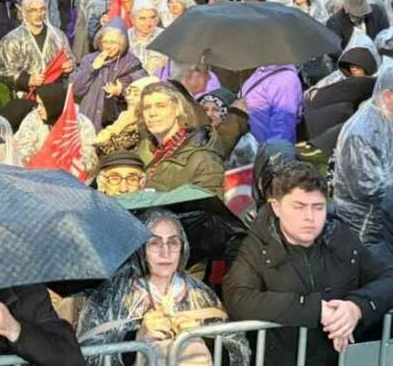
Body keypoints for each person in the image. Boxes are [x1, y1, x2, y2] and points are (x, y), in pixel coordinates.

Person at [224, 161, 393, 364]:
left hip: (341, 359)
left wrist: (357, 307)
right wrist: (315, 310)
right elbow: (237, 298)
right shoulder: (255, 245)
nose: (309, 217)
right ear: (276, 207)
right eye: (299, 207)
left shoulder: (339, 236)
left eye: (318, 207)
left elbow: (387, 278)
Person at [78, 209, 247, 365]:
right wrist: (135, 341)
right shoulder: (112, 297)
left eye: (173, 242)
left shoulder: (200, 294)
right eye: (154, 243)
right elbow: (89, 357)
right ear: (140, 249)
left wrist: (203, 339)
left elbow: (237, 351)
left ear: (183, 247)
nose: (165, 252)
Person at [332, 64, 393, 247]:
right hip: (364, 226)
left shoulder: (386, 120)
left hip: (384, 220)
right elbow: (366, 189)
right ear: (388, 96)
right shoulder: (361, 133)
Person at [0, 0, 74, 127]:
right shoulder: (12, 39)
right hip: (27, 99)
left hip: (54, 96)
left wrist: (70, 65)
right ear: (24, 13)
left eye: (42, 9)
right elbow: (3, 71)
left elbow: (69, 57)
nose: (39, 14)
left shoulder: (58, 35)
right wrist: (28, 79)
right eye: (33, 10)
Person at [136, 82, 226, 196]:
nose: (152, 113)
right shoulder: (141, 151)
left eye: (161, 106)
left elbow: (208, 204)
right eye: (147, 107)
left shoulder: (204, 159)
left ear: (177, 109)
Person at [71, 20, 145, 132]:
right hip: (88, 119)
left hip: (117, 123)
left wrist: (122, 90)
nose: (108, 46)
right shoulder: (89, 59)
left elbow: (144, 89)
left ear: (123, 43)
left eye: (113, 42)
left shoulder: (131, 62)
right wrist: (92, 68)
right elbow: (74, 88)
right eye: (105, 42)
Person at [13, 82, 97, 172]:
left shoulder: (82, 124)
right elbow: (22, 151)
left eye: (42, 105)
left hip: (70, 174)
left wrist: (67, 168)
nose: (38, 109)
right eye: (37, 104)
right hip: (37, 172)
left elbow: (90, 159)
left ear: (53, 104)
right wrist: (46, 165)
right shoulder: (33, 118)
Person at [239, 64, 302, 144]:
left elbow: (283, 128)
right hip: (247, 148)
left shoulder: (286, 79)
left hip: (267, 149)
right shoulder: (260, 71)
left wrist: (272, 151)